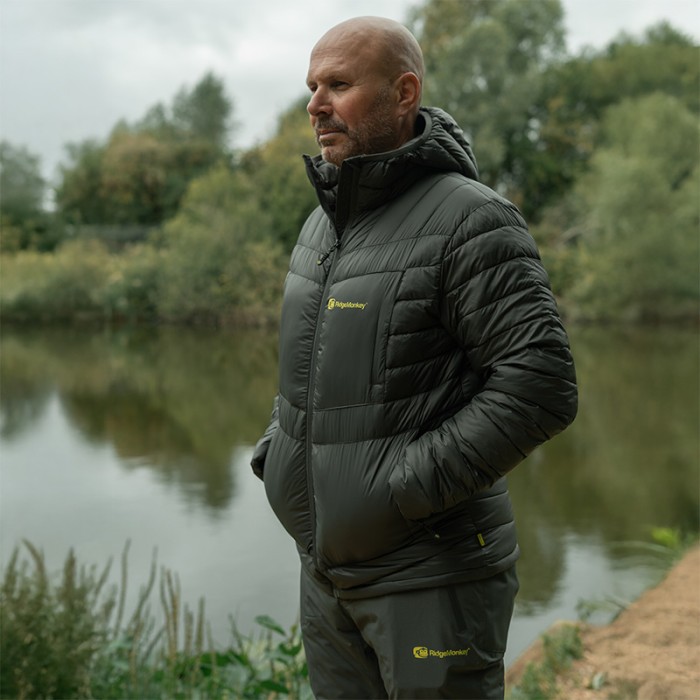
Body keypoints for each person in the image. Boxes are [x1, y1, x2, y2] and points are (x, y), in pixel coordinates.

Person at [251, 15, 578, 700]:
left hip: (430, 573)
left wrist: (400, 491)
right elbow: (312, 372)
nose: (316, 106)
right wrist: (279, 451)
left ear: (404, 93)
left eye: (339, 85)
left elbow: (540, 384)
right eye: (312, 88)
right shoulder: (323, 224)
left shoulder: (471, 219)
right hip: (326, 573)